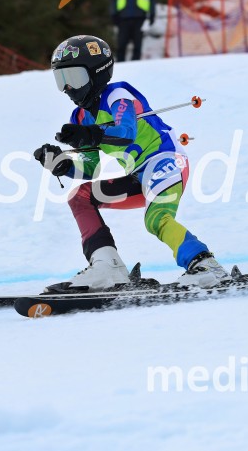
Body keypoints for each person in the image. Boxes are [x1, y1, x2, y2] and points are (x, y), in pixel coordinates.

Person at [33, 35, 229, 291]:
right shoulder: (80, 116)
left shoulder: (118, 94)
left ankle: (205, 264)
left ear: (97, 73)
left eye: (74, 78)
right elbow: (91, 168)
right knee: (80, 197)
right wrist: (60, 164)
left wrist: (90, 134)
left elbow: (126, 133)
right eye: (62, 80)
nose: (69, 88)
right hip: (138, 175)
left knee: (156, 219)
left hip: (165, 160)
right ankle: (107, 267)